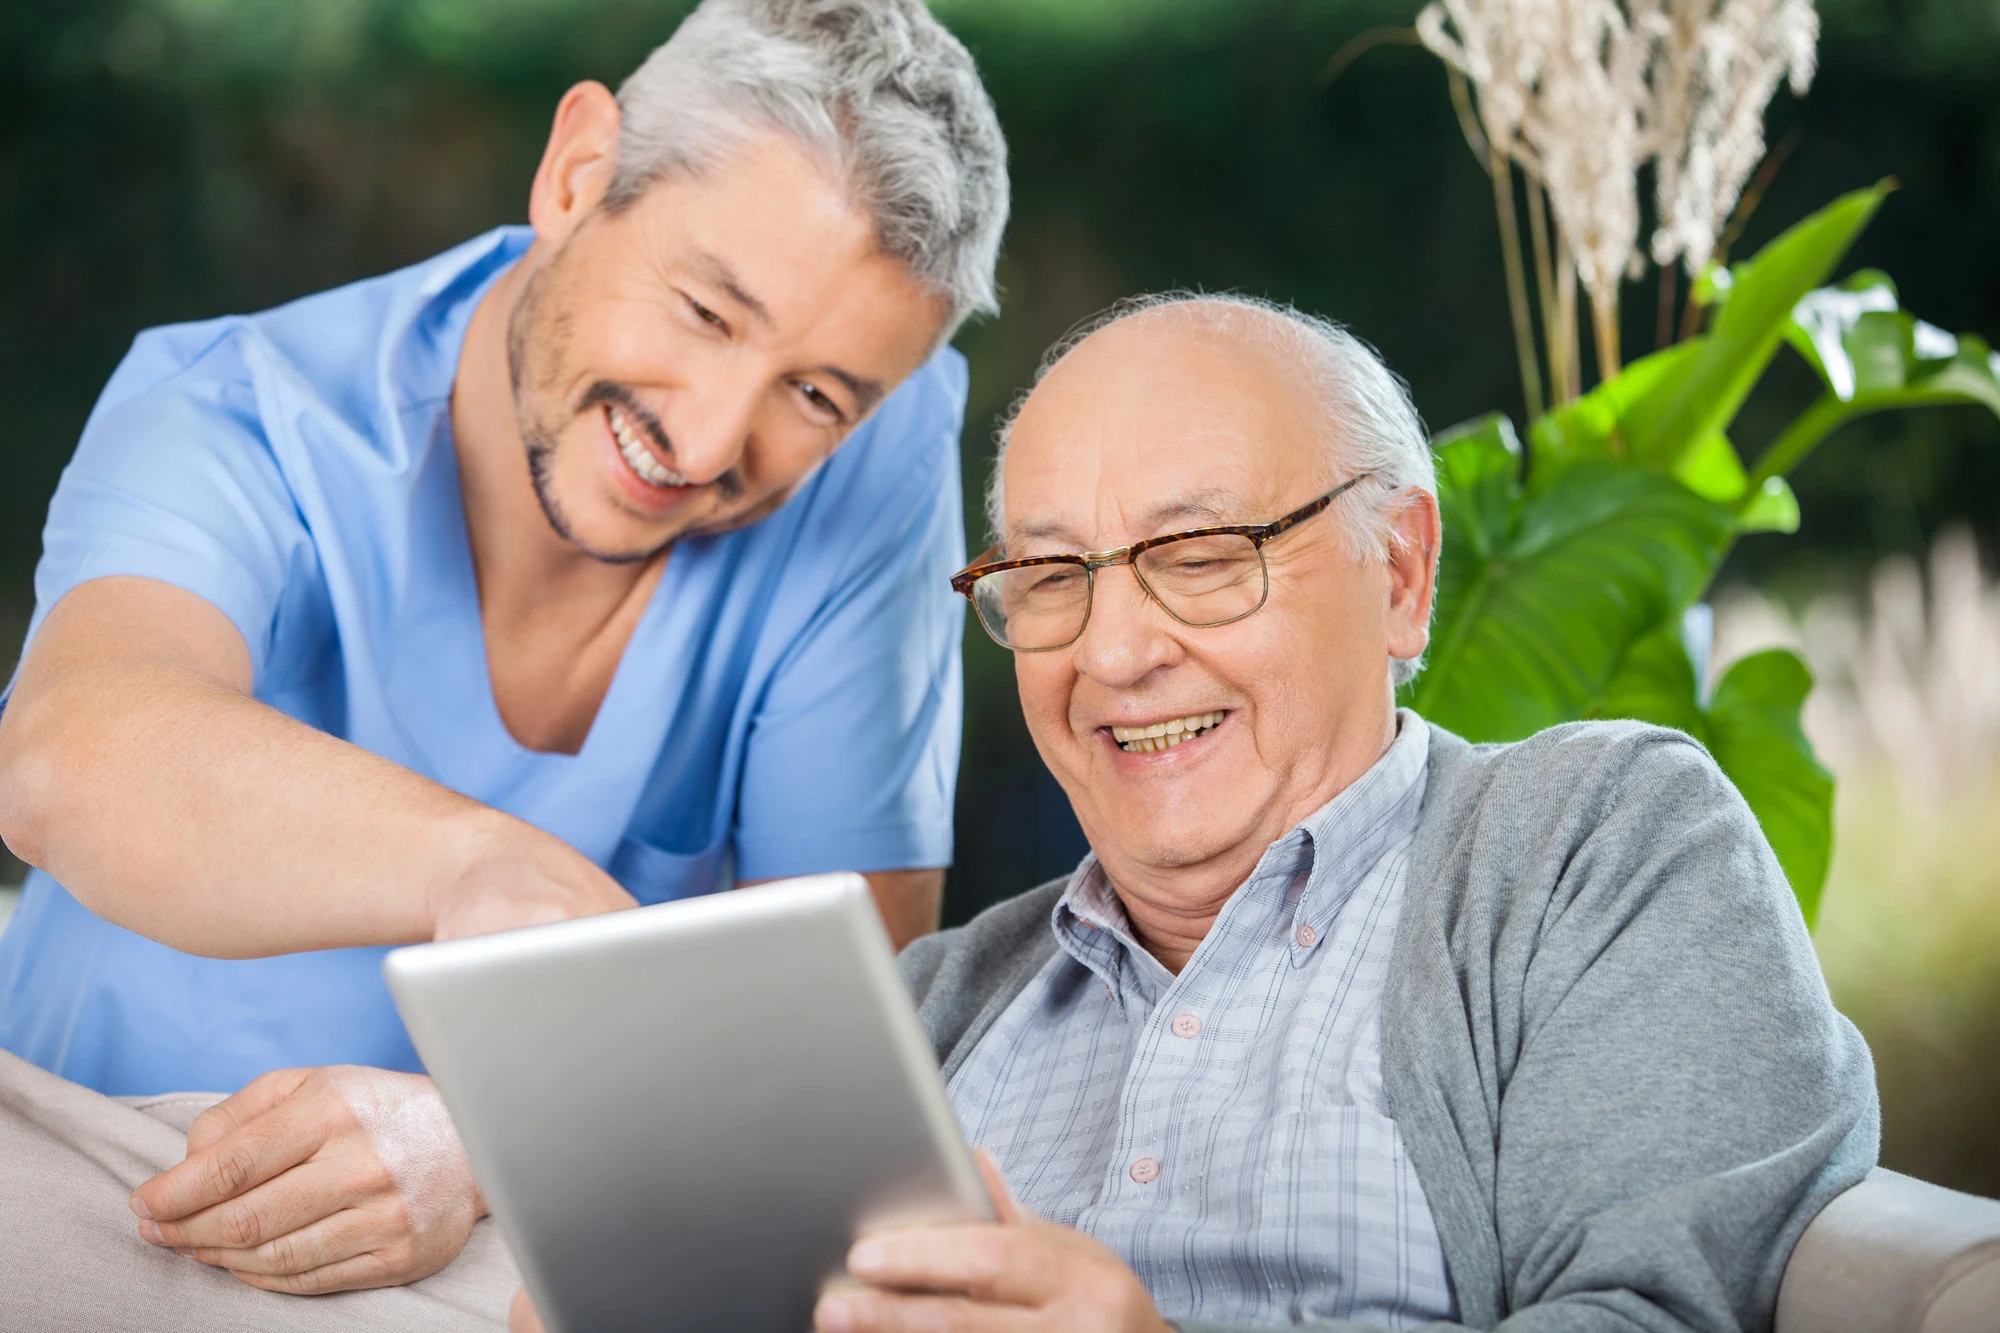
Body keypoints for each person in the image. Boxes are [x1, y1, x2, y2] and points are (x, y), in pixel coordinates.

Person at [0, 0, 1006, 1307]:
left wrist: (486, 1127)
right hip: (122, 1181)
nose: (706, 444)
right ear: (578, 172)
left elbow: (846, 991)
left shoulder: (875, 448)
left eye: (815, 395)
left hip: (551, 1205)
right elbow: (68, 760)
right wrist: (493, 873)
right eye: (705, 310)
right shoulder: (235, 415)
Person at [799, 294, 1876, 1333]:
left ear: (1399, 573)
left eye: (1201, 556)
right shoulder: (931, 1005)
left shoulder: (1590, 852)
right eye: (1045, 575)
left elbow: (1655, 1313)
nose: (1113, 655)